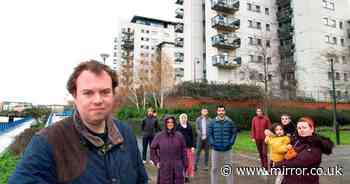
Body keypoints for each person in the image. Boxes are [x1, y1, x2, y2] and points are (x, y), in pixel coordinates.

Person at [9, 60, 148, 184]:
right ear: (75, 96)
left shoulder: (125, 133)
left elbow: (141, 179)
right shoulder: (48, 142)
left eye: (105, 92)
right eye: (88, 93)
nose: (98, 100)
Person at [275, 117, 334, 184]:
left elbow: (298, 163)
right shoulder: (295, 141)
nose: (301, 130)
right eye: (299, 128)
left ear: (311, 129)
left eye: (304, 128)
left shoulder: (315, 146)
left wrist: (278, 164)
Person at [151, 116, 188, 184]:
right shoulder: (159, 136)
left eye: (172, 122)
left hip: (177, 166)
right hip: (164, 166)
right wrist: (156, 161)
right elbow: (153, 149)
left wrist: (185, 164)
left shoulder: (179, 136)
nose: (170, 124)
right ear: (165, 123)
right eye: (168, 122)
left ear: (174, 123)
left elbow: (184, 150)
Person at [208, 105, 237, 184]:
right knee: (214, 169)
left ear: (225, 111)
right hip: (216, 150)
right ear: (217, 112)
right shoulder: (212, 122)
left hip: (227, 149)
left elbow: (234, 133)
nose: (221, 112)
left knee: (228, 168)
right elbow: (210, 134)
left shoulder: (230, 122)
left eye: (222, 111)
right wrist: (213, 144)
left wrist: (231, 143)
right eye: (219, 111)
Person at [176, 113, 195, 182]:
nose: (184, 119)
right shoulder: (177, 127)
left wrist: (193, 146)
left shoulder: (189, 126)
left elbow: (192, 137)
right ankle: (181, 176)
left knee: (189, 162)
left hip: (189, 148)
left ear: (186, 119)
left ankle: (186, 176)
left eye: (185, 118)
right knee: (181, 162)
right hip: (180, 148)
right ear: (180, 119)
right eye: (182, 118)